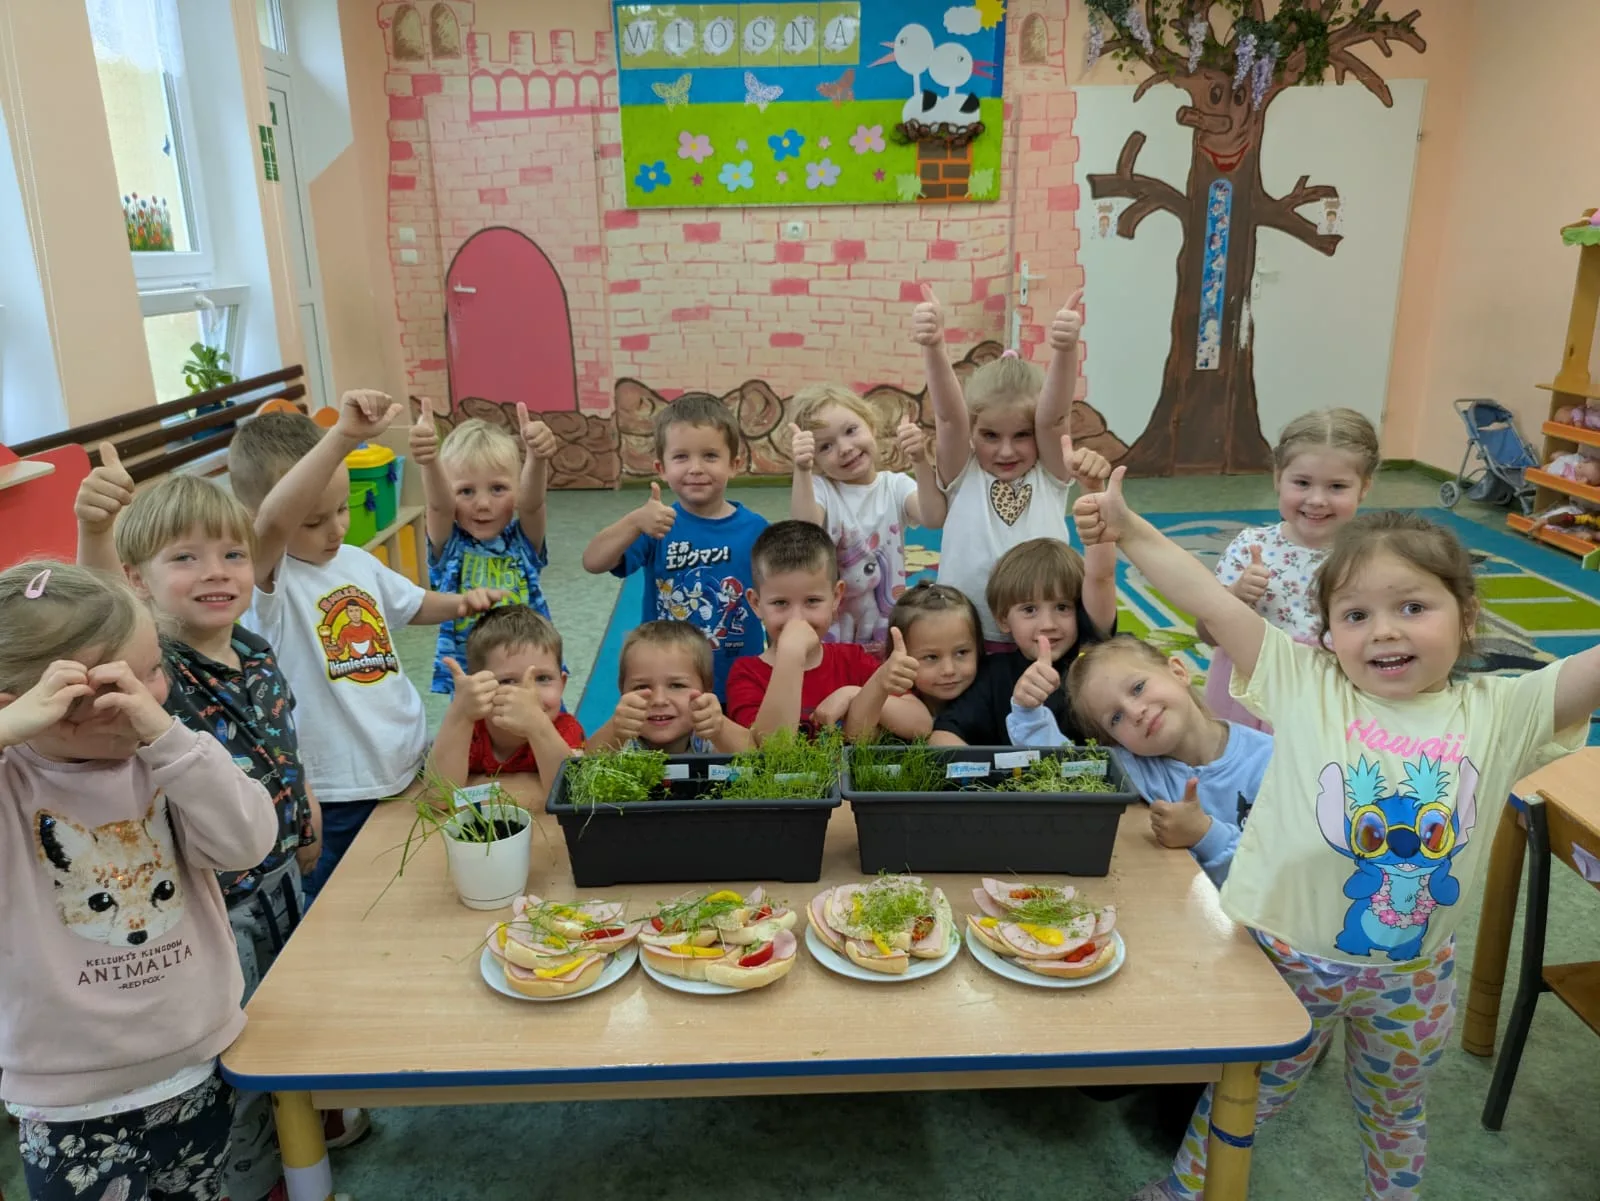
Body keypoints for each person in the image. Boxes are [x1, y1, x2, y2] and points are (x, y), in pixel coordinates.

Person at [1075, 478, 1599, 1201]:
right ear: (1326, 634)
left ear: (1466, 614)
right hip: (1284, 955)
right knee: (1245, 1092)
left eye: (1412, 606)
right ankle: (1187, 1188)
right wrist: (1128, 527)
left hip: (1413, 975)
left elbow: (1589, 672)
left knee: (1395, 1111)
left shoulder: (1504, 707)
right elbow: (1211, 599)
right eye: (1356, 614)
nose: (1383, 630)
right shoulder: (1306, 681)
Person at [75, 465, 327, 1197]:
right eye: (184, 557)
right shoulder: (158, 667)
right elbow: (99, 622)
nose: (215, 572)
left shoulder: (251, 646)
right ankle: (254, 1178)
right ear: (138, 578)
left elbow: (281, 732)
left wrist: (302, 797)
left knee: (292, 1024)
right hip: (217, 902)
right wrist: (94, 531)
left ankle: (304, 1132)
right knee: (240, 1053)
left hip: (282, 877)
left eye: (231, 554)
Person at [0, 561, 276, 1201]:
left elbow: (247, 841)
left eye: (153, 670)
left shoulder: (167, 761)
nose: (151, 693)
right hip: (71, 1102)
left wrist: (172, 742)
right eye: (109, 691)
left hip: (198, 1065)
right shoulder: (13, 783)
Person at [228, 394, 503, 899]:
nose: (335, 528)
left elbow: (411, 604)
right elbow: (270, 525)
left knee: (416, 880)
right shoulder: (267, 582)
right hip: (336, 791)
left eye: (341, 509)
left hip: (405, 760)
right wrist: (342, 439)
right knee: (343, 900)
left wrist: (463, 603)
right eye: (312, 521)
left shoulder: (355, 560)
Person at [915, 283, 1109, 646]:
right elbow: (949, 419)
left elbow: (1054, 420)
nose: (1006, 451)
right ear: (973, 433)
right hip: (964, 637)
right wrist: (934, 347)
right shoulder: (963, 472)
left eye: (1022, 435)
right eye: (990, 436)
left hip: (1042, 636)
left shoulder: (1050, 474)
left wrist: (1065, 351)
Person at [1012, 634, 1271, 888]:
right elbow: (1062, 767)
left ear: (1178, 672)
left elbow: (1285, 881)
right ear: (1114, 741)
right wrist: (1027, 712)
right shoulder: (1132, 766)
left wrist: (1205, 835)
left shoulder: (1275, 761)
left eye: (1138, 688)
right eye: (1115, 718)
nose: (1136, 713)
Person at [1202, 407, 1377, 732]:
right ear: (1277, 478)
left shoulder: (1372, 557)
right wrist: (1236, 597)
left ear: (1364, 487)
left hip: (1329, 696)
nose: (1317, 499)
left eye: (1337, 487)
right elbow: (1207, 633)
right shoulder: (1250, 547)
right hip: (1252, 694)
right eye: (1302, 483)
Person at [581, 395, 767, 698]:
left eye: (709, 456)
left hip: (738, 680)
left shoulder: (757, 529)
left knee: (739, 746)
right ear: (661, 468)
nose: (695, 468)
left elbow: (777, 600)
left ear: (734, 464)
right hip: (668, 685)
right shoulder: (656, 524)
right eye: (681, 457)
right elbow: (593, 561)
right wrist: (633, 521)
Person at [410, 399, 560, 694]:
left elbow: (532, 505)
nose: (482, 504)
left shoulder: (523, 542)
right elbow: (439, 507)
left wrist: (537, 458)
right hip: (472, 677)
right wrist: (429, 461)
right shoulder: (449, 546)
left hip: (528, 671)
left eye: (498, 488)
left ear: (516, 489)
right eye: (466, 491)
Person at [725, 521, 925, 741]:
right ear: (756, 603)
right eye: (780, 603)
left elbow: (921, 724)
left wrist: (860, 693)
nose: (797, 619)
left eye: (812, 601)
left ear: (836, 597)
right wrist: (791, 656)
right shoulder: (746, 674)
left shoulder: (853, 660)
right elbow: (770, 749)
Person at [787, 382, 946, 653]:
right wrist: (802, 471)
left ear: (870, 425)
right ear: (816, 459)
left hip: (886, 629)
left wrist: (919, 459)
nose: (845, 448)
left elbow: (933, 517)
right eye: (826, 446)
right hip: (833, 637)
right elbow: (805, 531)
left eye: (851, 431)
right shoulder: (823, 490)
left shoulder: (895, 486)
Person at [931, 536, 1114, 747]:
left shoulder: (1096, 662)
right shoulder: (993, 675)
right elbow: (943, 736)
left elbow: (1102, 578)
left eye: (1062, 607)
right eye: (1029, 610)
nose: (1048, 624)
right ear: (1002, 620)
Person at [430, 606, 585, 797]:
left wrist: (538, 726)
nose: (528, 695)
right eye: (508, 681)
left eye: (543, 678)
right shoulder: (471, 732)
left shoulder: (565, 730)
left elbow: (573, 795)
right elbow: (438, 798)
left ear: (562, 684)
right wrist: (459, 713)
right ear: (479, 687)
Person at [586, 621, 752, 754]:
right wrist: (615, 731)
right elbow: (581, 770)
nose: (659, 700)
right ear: (623, 691)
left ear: (706, 689)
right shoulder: (619, 740)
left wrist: (721, 728)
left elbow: (759, 761)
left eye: (676, 685)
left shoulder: (711, 737)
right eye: (642, 686)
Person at [884, 582, 984, 727]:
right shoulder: (889, 699)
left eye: (961, 652)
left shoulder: (991, 700)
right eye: (931, 657)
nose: (949, 670)